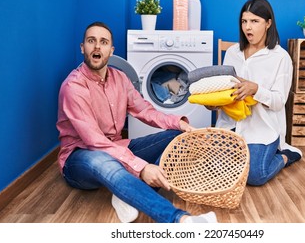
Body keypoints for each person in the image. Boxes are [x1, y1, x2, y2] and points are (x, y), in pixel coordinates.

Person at [56, 21, 217, 223]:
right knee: (106, 163)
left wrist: (179, 123)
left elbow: (145, 111)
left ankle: (126, 195)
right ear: (83, 47)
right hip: (80, 156)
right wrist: (141, 168)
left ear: (111, 50)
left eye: (103, 42)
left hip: (117, 146)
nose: (97, 46)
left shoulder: (120, 79)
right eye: (91, 41)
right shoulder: (74, 87)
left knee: (178, 137)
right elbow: (95, 142)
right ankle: (182, 221)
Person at [213, 0, 302, 186]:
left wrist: (256, 89)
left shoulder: (280, 57)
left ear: (268, 23)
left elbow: (279, 101)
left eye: (255, 21)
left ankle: (286, 155)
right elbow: (225, 90)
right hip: (230, 125)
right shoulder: (232, 53)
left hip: (262, 129)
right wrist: (214, 102)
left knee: (255, 175)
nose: (248, 27)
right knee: (215, 170)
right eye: (244, 21)